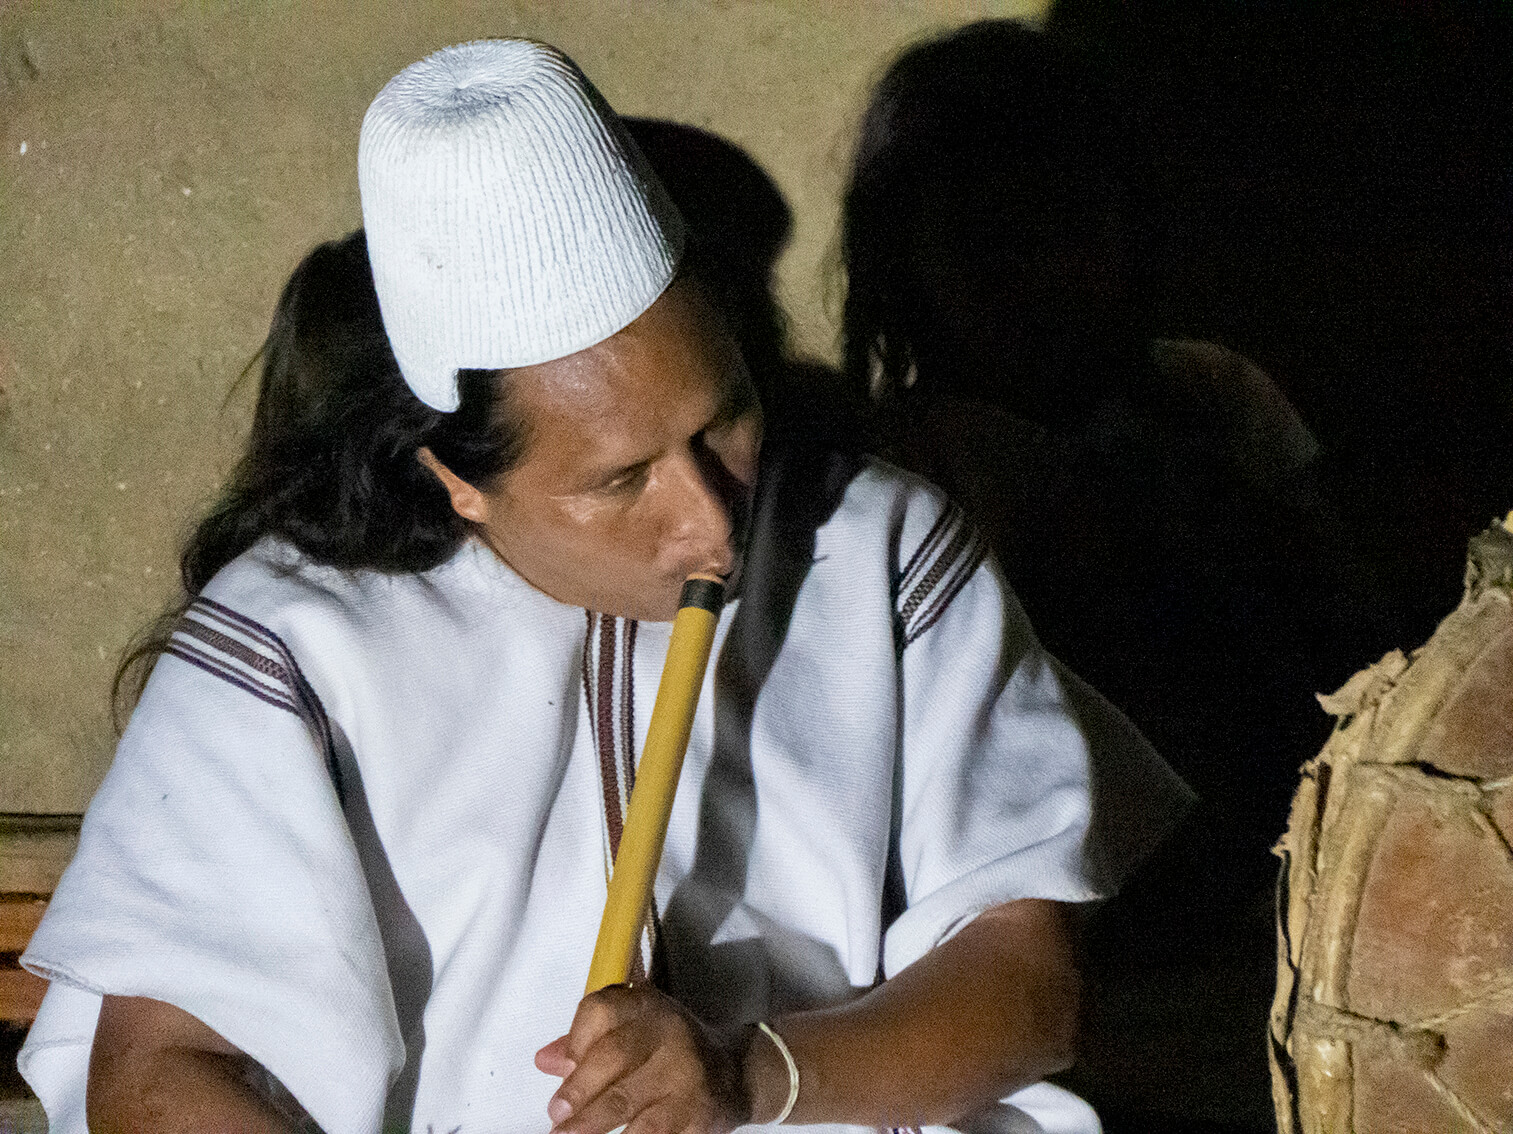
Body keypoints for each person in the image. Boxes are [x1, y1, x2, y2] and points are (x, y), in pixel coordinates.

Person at [19, 40, 1187, 1134]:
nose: (710, 522)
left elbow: (1026, 987)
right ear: (458, 482)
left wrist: (748, 1074)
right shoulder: (294, 643)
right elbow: (156, 1069)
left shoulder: (877, 545)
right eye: (619, 478)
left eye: (723, 420)